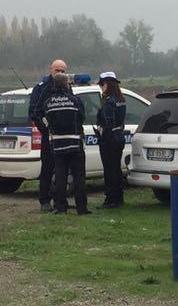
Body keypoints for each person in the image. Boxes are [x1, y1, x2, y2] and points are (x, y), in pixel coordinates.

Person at [41, 72, 88, 215]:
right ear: (67, 84)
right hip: (74, 142)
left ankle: (60, 207)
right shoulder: (75, 101)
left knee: (60, 177)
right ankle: (82, 208)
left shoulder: (48, 102)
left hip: (57, 143)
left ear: (54, 85)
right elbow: (82, 118)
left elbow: (45, 120)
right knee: (78, 176)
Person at [28, 58, 68, 212]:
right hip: (49, 136)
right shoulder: (41, 89)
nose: (59, 73)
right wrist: (45, 128)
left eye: (62, 71)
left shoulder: (67, 88)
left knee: (62, 170)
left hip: (65, 136)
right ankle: (44, 200)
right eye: (57, 70)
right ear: (51, 70)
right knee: (47, 169)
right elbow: (34, 112)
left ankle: (60, 201)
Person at [96, 72, 127, 209]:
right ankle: (118, 198)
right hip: (119, 135)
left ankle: (110, 199)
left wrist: (102, 134)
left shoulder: (109, 102)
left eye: (102, 84)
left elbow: (108, 124)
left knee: (109, 170)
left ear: (107, 84)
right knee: (116, 169)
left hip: (109, 139)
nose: (101, 87)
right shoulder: (121, 99)